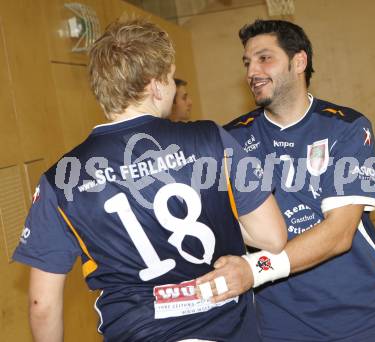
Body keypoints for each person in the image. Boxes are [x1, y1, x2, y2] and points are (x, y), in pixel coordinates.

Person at [12, 18, 287, 342]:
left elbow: (41, 304)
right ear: (156, 85)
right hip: (227, 330)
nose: (173, 87)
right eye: (170, 77)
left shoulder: (60, 179)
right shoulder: (210, 139)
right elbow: (272, 237)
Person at [197, 19, 375, 342]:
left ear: (299, 62)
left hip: (360, 318)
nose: (252, 71)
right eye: (248, 62)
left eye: (265, 58)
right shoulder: (231, 138)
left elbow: (339, 234)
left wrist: (254, 270)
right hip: (279, 326)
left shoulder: (346, 127)